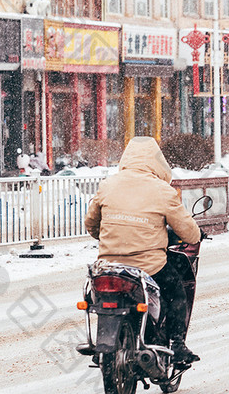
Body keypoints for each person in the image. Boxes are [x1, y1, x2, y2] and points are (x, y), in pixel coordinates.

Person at [84, 136, 202, 365]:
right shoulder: (162, 190)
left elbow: (91, 224)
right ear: (158, 162)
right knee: (176, 292)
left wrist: (108, 237)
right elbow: (188, 232)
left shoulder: (108, 185)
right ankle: (177, 344)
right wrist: (195, 236)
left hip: (110, 266)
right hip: (148, 266)